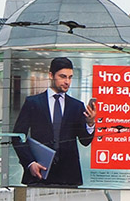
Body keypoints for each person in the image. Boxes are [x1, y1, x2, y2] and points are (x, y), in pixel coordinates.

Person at [11, 57, 97, 187]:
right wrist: (30, 163)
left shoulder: (76, 106)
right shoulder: (33, 103)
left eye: (70, 77)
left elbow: (85, 141)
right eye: (63, 76)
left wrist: (90, 123)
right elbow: (17, 137)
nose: (67, 81)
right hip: (39, 174)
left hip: (68, 177)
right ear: (51, 75)